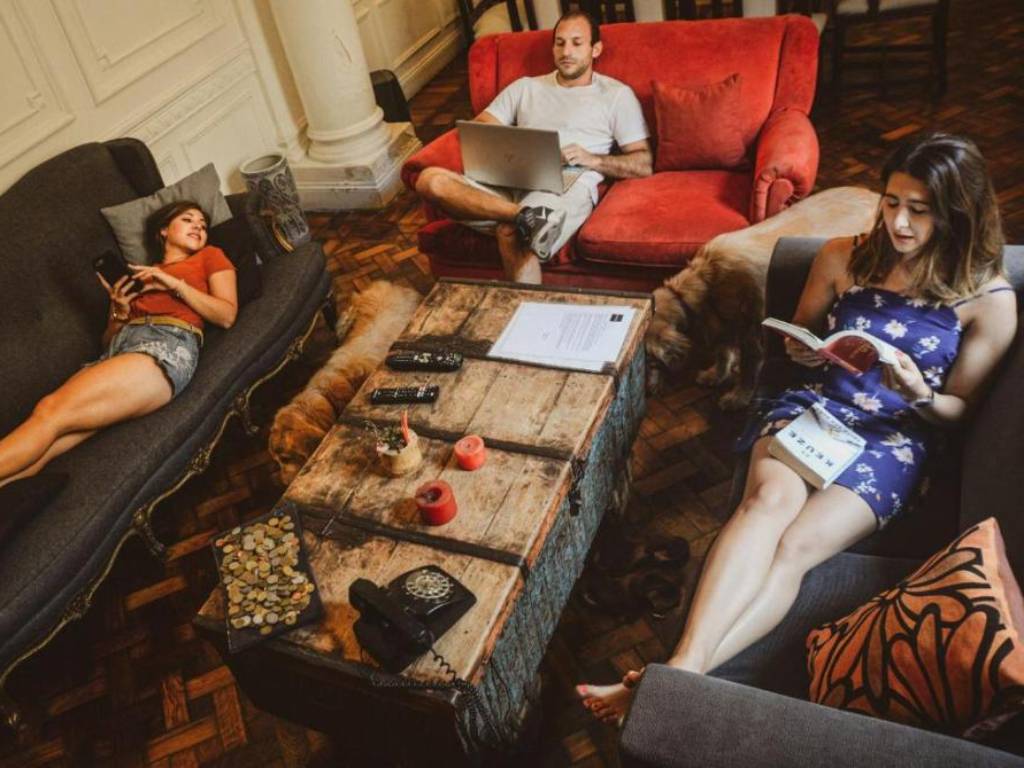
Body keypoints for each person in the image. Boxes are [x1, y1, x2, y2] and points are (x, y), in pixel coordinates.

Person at [577, 132, 1017, 724]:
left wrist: (918, 391)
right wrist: (802, 349)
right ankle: (681, 670)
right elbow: (797, 335)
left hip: (894, 437)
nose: (898, 223)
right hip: (817, 406)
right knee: (765, 505)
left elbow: (959, 409)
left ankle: (675, 675)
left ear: (958, 212)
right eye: (891, 202)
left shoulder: (990, 300)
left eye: (919, 210)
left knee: (795, 550)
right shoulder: (842, 255)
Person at [0, 200, 238, 487]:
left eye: (203, 225)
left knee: (50, 411)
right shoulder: (140, 276)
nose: (198, 227)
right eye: (188, 220)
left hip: (164, 346)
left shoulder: (209, 256)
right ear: (164, 230)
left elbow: (226, 315)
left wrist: (175, 285)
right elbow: (108, 343)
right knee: (51, 443)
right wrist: (119, 312)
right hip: (120, 352)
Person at [414, 10, 652, 284]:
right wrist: (514, 149)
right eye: (560, 43)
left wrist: (593, 159)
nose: (566, 51)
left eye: (577, 43)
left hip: (566, 183)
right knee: (430, 181)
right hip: (509, 179)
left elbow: (643, 163)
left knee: (513, 233)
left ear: (595, 49)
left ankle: (523, 234)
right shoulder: (525, 87)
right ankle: (524, 216)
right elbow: (482, 126)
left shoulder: (615, 95)